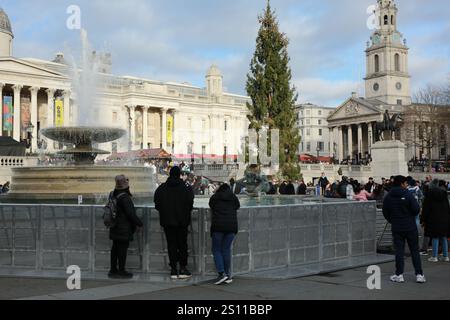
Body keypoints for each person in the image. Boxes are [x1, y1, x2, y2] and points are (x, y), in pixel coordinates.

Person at [383, 175, 426, 283]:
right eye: (406, 183)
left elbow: (385, 212)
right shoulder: (408, 194)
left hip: (397, 226)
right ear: (402, 184)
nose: (407, 185)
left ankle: (399, 274)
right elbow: (416, 209)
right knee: (414, 250)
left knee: (399, 251)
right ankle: (419, 274)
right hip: (410, 226)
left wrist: (392, 220)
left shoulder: (388, 196)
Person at [154, 166, 195, 279]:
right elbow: (190, 203)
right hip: (182, 221)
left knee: (171, 244)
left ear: (170, 174)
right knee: (182, 244)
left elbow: (157, 204)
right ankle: (182, 268)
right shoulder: (186, 188)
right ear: (179, 174)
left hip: (168, 222)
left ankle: (173, 269)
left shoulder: (162, 188)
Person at [109, 175, 143, 279]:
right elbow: (130, 213)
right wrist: (139, 223)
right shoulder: (125, 197)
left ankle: (113, 270)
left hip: (114, 225)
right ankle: (121, 271)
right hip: (123, 227)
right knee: (122, 249)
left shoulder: (113, 194)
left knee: (115, 248)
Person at [209, 183, 241, 285]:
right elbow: (237, 206)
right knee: (226, 250)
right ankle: (227, 275)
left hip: (218, 226)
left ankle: (222, 274)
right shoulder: (233, 197)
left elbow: (211, 206)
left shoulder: (215, 197)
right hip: (231, 227)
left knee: (216, 249)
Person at [421, 179, 450, 262]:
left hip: (433, 219)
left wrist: (423, 219)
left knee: (435, 237)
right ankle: (445, 256)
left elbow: (426, 208)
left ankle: (434, 256)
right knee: (443, 237)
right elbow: (448, 207)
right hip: (444, 218)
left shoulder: (429, 194)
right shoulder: (444, 193)